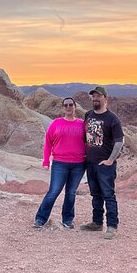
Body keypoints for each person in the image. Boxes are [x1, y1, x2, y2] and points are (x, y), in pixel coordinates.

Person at [34, 97, 86, 229]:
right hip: (59, 164)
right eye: (66, 105)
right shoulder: (56, 124)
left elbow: (88, 143)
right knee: (54, 191)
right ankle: (40, 219)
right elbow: (48, 143)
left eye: (71, 105)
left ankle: (68, 220)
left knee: (71, 193)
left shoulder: (82, 124)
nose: (68, 107)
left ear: (75, 107)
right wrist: (46, 161)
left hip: (79, 164)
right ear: (63, 108)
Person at [80, 86, 124, 240]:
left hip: (105, 165)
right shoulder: (88, 115)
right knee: (95, 194)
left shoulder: (112, 119)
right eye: (93, 97)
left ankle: (112, 225)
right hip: (90, 163)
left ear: (106, 98)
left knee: (108, 195)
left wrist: (110, 160)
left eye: (98, 96)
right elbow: (85, 137)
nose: (95, 99)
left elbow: (119, 142)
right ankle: (97, 222)